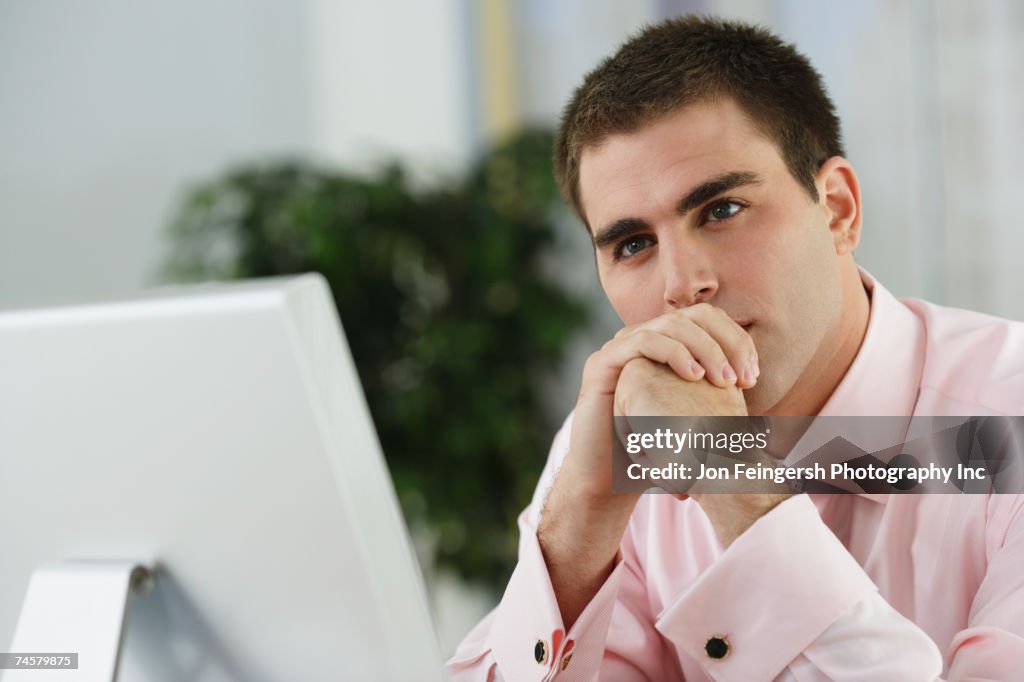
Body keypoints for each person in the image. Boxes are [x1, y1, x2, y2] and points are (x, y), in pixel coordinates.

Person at [447, 16, 1024, 681]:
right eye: (633, 245)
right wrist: (574, 531)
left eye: (721, 210)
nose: (682, 285)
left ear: (837, 208)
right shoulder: (614, 443)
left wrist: (737, 485)